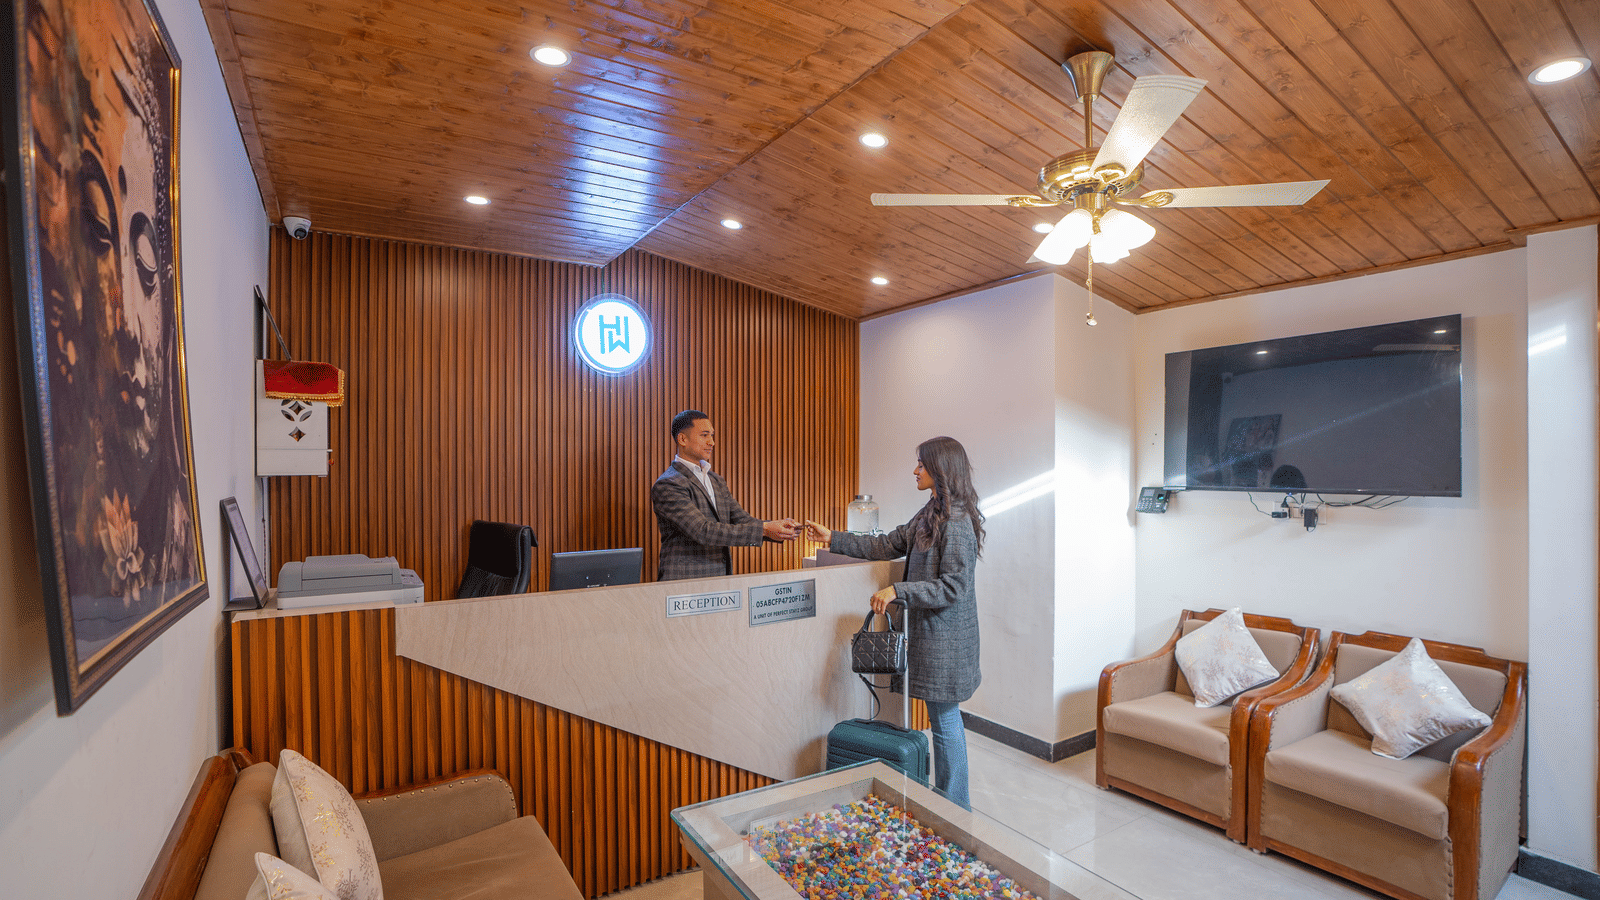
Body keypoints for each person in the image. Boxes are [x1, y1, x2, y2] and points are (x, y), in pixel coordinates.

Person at [805, 436, 983, 808]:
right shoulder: (932, 511)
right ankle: (951, 802)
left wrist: (896, 591)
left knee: (945, 721)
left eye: (921, 464)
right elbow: (886, 544)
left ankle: (956, 807)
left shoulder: (959, 520)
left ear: (940, 469)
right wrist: (833, 538)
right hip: (932, 636)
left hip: (947, 639)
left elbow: (953, 586)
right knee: (940, 720)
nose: (915, 470)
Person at [651, 410, 801, 580]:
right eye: (704, 435)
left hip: (720, 580)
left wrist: (776, 528)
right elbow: (702, 531)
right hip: (685, 583)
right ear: (682, 439)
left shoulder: (716, 480)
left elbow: (743, 520)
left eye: (712, 435)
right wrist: (765, 529)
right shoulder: (669, 483)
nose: (712, 442)